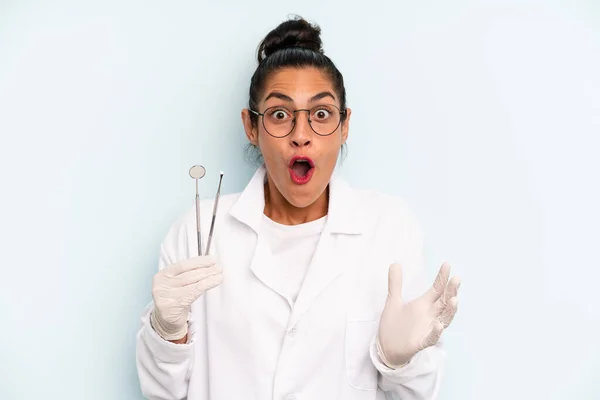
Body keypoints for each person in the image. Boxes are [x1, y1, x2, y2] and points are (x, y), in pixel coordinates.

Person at [136, 16, 460, 400]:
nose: (301, 135)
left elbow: (415, 396)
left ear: (344, 126)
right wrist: (167, 332)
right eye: (279, 115)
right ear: (251, 127)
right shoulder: (199, 230)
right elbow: (162, 394)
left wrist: (399, 362)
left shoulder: (388, 228)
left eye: (321, 115)